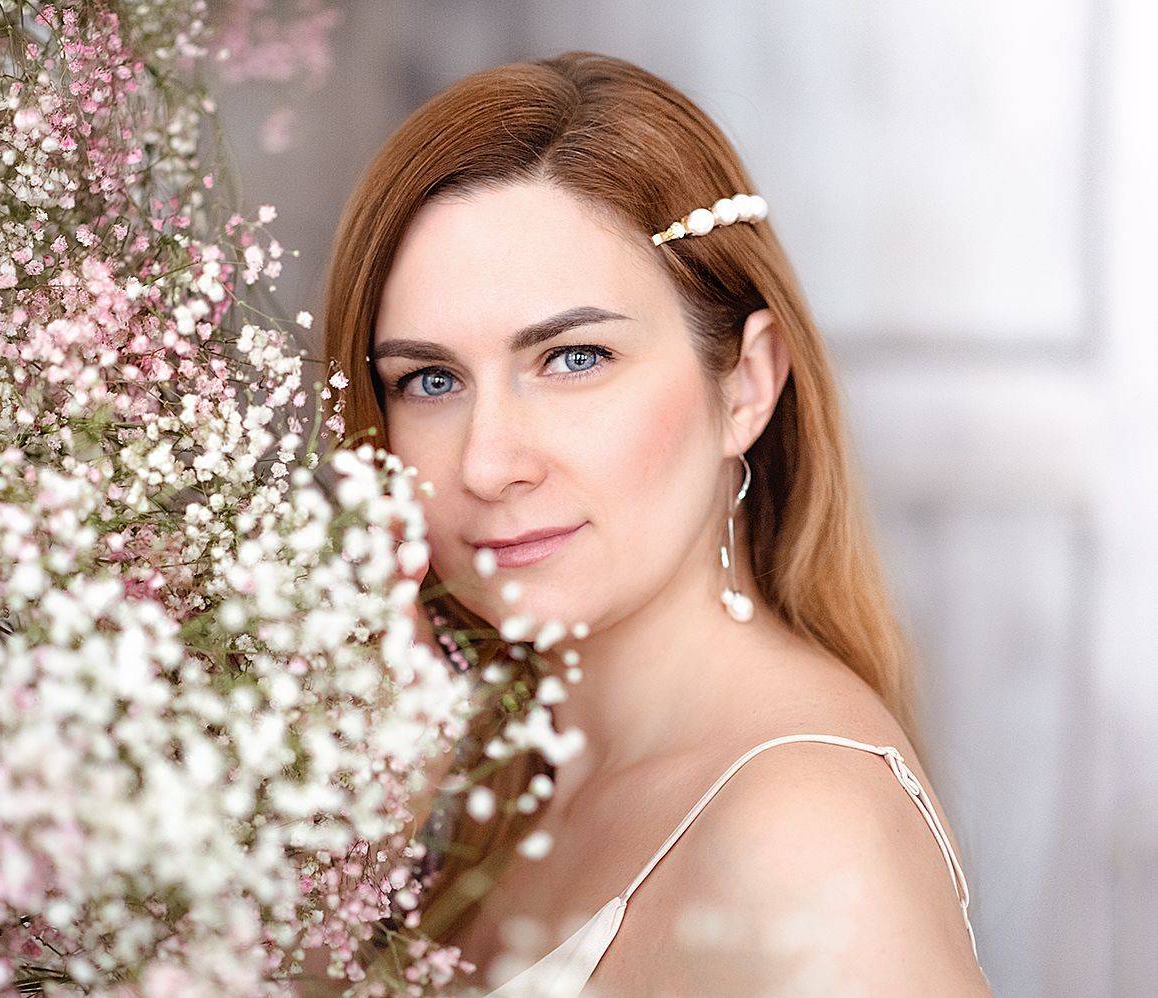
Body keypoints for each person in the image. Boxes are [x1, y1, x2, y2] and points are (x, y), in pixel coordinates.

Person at [322, 51, 993, 996]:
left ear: (746, 384)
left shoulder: (802, 835)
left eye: (574, 358)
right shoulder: (494, 782)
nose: (486, 463)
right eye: (430, 380)